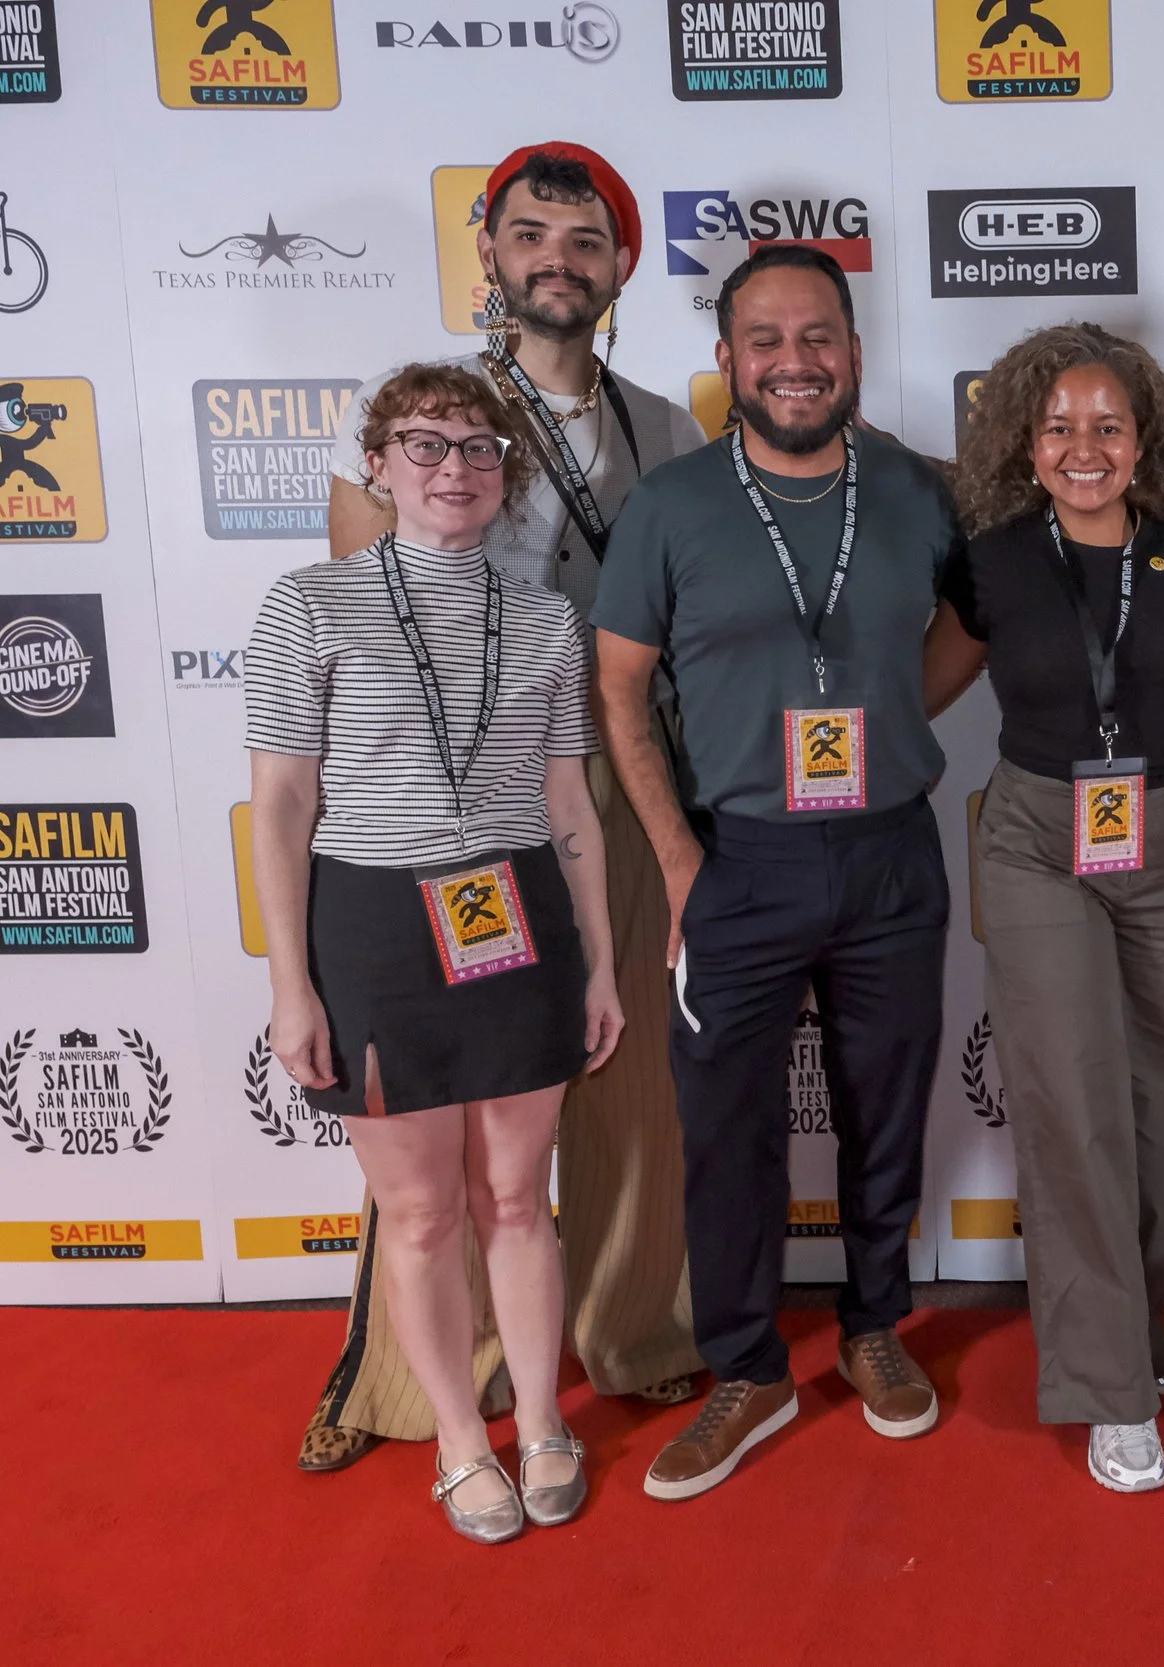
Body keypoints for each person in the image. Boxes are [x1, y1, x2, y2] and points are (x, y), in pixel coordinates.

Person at [301, 142, 711, 1474]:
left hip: (621, 774)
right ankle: (417, 1382)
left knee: (626, 1067)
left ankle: (634, 1330)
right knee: (436, 1101)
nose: (557, 260)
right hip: (459, 802)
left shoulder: (668, 427)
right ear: (489, 251)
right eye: (531, 234)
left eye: (586, 241)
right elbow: (368, 619)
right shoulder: (422, 413)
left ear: (621, 263)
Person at [593, 244, 962, 1499]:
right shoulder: (672, 504)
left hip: (889, 852)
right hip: (736, 857)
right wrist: (679, 858)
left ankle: (873, 1323)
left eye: (818, 338)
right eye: (766, 339)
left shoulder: (914, 489)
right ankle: (746, 1367)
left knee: (885, 1109)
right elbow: (619, 686)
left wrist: (893, 723)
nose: (793, 362)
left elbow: (972, 622)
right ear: (727, 359)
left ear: (853, 351)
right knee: (726, 1130)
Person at [248, 363, 624, 1542]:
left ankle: (543, 1420)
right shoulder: (308, 604)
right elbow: (280, 805)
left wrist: (600, 963)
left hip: (518, 915)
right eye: (424, 444)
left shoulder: (548, 618)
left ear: (505, 473)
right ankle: (462, 1438)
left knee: (515, 1195)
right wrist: (290, 984)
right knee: (418, 1213)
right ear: (377, 464)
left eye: (477, 448)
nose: (453, 467)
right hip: (371, 924)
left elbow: (568, 803)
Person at [925, 324, 1164, 1494]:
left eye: (1107, 424)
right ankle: (1111, 1389)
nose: (1084, 446)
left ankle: (1133, 1320)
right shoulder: (992, 561)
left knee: (1160, 1103)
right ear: (1025, 441)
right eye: (1058, 426)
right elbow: (914, 691)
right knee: (1073, 1106)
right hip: (1038, 841)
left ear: (1144, 437)